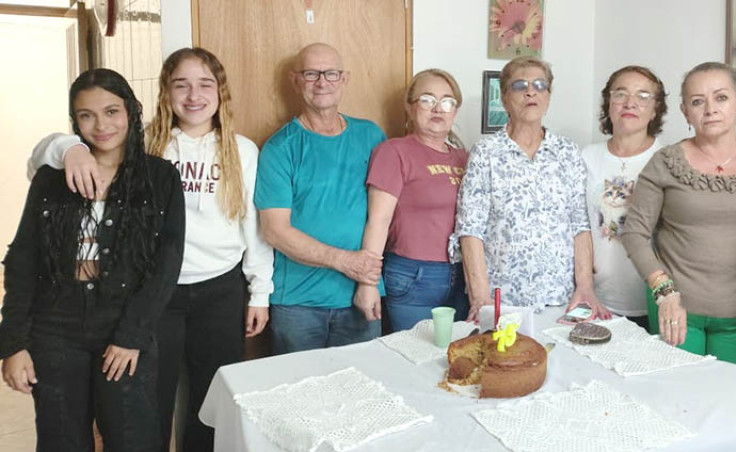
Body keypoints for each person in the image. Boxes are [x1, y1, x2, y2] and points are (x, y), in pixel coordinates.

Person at [28, 48, 275, 451]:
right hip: (153, 294)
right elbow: (39, 157)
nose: (193, 95)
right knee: (147, 400)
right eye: (182, 85)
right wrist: (69, 148)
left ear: (220, 92)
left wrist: (260, 293)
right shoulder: (146, 146)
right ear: (166, 92)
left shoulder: (242, 150)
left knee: (212, 399)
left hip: (221, 290)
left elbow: (255, 227)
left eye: (204, 84)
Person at [0, 68, 185, 450]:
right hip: (55, 328)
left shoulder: (160, 177)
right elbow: (22, 261)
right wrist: (13, 344)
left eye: (112, 111)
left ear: (132, 112)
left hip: (123, 324)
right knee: (61, 440)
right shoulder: (51, 178)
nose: (101, 125)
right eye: (86, 115)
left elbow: (166, 265)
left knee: (133, 439)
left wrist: (131, 335)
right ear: (75, 121)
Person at [621, 62, 736, 368]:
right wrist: (664, 292)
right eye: (698, 101)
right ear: (685, 111)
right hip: (675, 310)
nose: (710, 109)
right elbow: (635, 233)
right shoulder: (665, 163)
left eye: (721, 98)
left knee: (733, 403)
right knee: (680, 401)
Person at [454, 56, 611, 322]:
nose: (531, 91)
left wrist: (585, 288)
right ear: (504, 99)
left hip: (561, 298)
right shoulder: (486, 153)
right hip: (502, 302)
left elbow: (579, 226)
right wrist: (480, 300)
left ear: (548, 98)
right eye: (519, 85)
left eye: (540, 85)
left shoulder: (567, 152)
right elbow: (471, 231)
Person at [256, 43, 386, 353]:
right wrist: (346, 262)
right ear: (295, 80)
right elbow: (275, 230)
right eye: (311, 73)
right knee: (298, 397)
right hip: (298, 305)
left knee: (363, 394)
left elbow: (383, 215)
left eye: (330, 73)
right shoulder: (280, 148)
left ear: (345, 79)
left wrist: (366, 281)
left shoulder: (371, 136)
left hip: (362, 296)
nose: (322, 82)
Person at [359, 69, 469, 332]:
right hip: (413, 276)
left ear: (454, 111)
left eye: (446, 102)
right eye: (427, 100)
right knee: (416, 358)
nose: (438, 109)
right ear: (410, 108)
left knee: (456, 359)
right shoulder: (394, 152)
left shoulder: (464, 158)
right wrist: (368, 283)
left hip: (461, 275)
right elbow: (378, 220)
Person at [582, 66, 667, 330]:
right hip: (595, 298)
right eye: (620, 94)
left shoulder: (668, 159)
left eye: (643, 96)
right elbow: (577, 227)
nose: (630, 103)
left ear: (655, 109)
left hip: (652, 300)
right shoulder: (586, 157)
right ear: (608, 103)